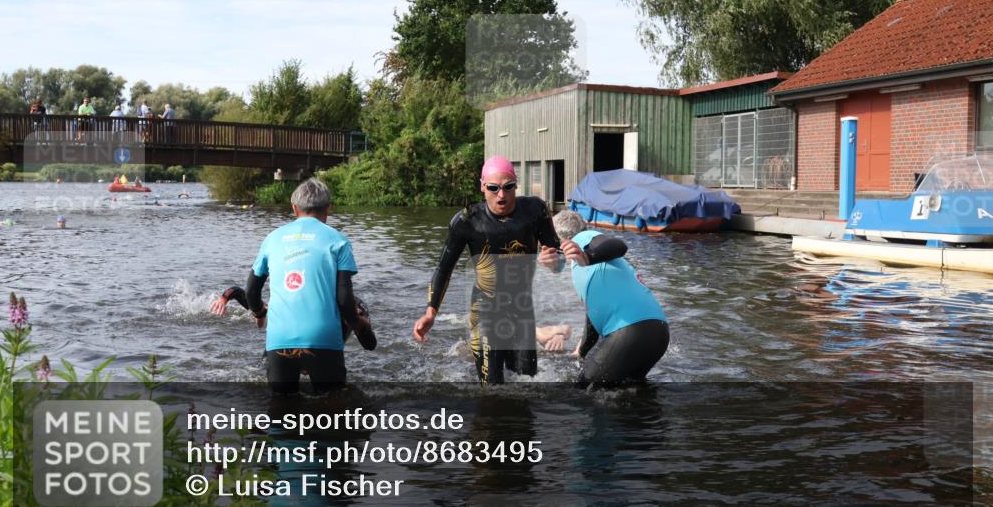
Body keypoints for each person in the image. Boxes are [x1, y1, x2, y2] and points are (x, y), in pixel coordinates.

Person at [412, 155, 563, 385]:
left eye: (508, 187)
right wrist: (431, 312)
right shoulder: (467, 221)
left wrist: (554, 263)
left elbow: (559, 258)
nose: (501, 195)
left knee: (528, 385)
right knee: (491, 387)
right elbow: (444, 268)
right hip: (485, 310)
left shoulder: (534, 210)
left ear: (516, 185)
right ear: (482, 187)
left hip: (522, 309)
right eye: (493, 188)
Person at [247, 178, 367, 393]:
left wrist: (258, 312)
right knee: (333, 410)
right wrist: (357, 323)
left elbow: (251, 291)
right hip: (323, 339)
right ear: (328, 208)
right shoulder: (338, 240)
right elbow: (343, 298)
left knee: (281, 412)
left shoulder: (272, 238)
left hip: (279, 339)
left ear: (294, 208)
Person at [553, 210, 670, 388]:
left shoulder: (584, 238)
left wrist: (586, 257)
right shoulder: (589, 267)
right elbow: (594, 316)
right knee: (630, 393)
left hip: (631, 331)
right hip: (657, 332)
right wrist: (581, 352)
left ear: (561, 238)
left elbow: (618, 245)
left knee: (585, 390)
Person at [210, 285, 376, 351]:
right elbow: (239, 292)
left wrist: (357, 321)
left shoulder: (357, 309)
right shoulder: (284, 310)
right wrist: (223, 298)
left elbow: (370, 345)